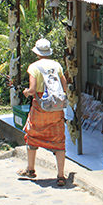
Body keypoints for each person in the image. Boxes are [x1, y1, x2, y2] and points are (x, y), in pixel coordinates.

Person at [18, 38, 68, 186]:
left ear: (37, 52)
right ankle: (60, 175)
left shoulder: (34, 67)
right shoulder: (57, 65)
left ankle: (31, 169)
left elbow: (32, 89)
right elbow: (64, 86)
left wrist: (26, 92)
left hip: (40, 107)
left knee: (32, 135)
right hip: (56, 108)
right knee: (59, 140)